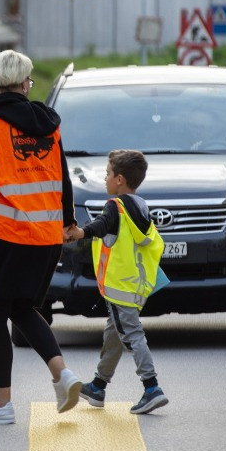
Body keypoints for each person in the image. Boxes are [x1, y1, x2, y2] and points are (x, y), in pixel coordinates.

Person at [0, 49, 81, 425]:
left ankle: (1, 405)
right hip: (45, 235)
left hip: (2, 232)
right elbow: (62, 179)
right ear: (25, 82)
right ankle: (62, 374)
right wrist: (69, 222)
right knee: (22, 307)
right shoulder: (50, 124)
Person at [63, 149, 169, 415]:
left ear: (120, 179)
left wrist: (79, 233)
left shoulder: (116, 206)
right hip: (131, 284)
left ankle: (152, 387)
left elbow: (101, 225)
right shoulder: (140, 206)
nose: (105, 178)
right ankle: (98, 387)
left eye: (108, 173)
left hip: (120, 286)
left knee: (132, 335)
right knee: (114, 334)